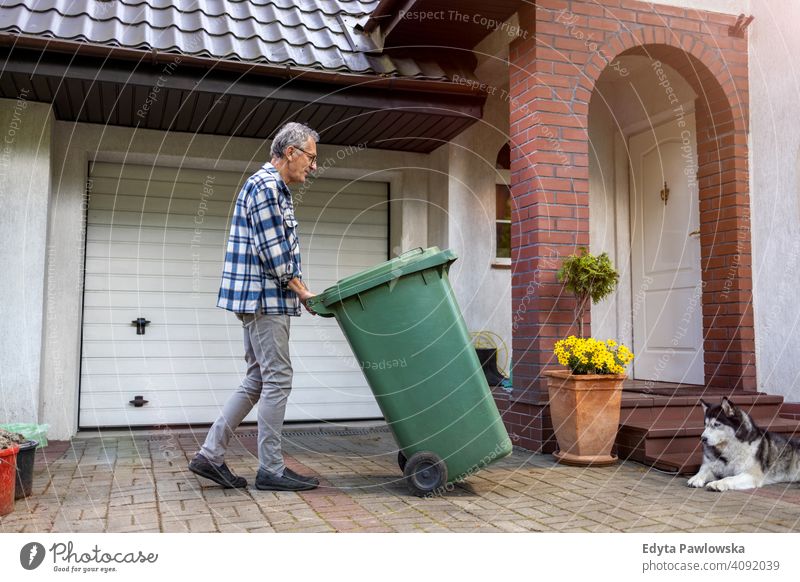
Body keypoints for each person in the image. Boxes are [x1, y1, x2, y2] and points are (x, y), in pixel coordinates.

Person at [188, 122, 321, 491]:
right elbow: (274, 256)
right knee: (278, 379)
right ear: (291, 152)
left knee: (258, 379)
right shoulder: (265, 187)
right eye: (311, 158)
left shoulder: (276, 190)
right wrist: (302, 292)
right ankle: (272, 470)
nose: (313, 167)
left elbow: (281, 253)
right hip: (264, 299)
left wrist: (301, 291)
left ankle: (209, 455)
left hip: (264, 297)